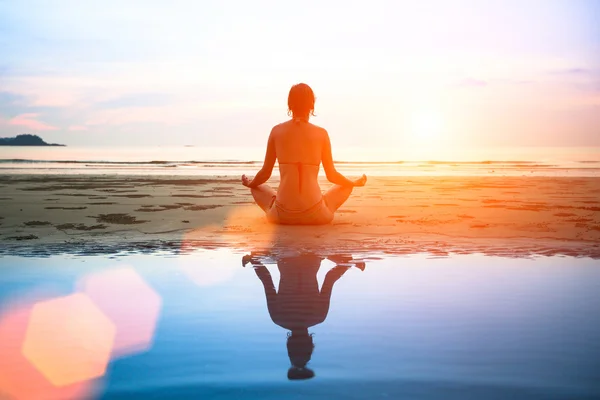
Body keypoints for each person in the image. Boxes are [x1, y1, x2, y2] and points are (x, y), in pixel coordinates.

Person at [242, 83, 367, 225]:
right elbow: (331, 175)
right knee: (346, 185)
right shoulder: (321, 133)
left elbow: (265, 173)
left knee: (257, 187)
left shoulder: (276, 131)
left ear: (289, 104)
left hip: (282, 215)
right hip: (316, 215)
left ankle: (276, 204)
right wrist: (353, 183)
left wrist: (250, 183)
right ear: (312, 105)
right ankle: (324, 203)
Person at [242, 251, 365, 380]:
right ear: (289, 344)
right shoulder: (278, 318)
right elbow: (266, 279)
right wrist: (254, 261)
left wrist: (347, 265)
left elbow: (330, 278)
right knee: (265, 253)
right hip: (287, 258)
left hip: (311, 259)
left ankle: (343, 260)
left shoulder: (319, 316)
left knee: (329, 255)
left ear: (310, 343)